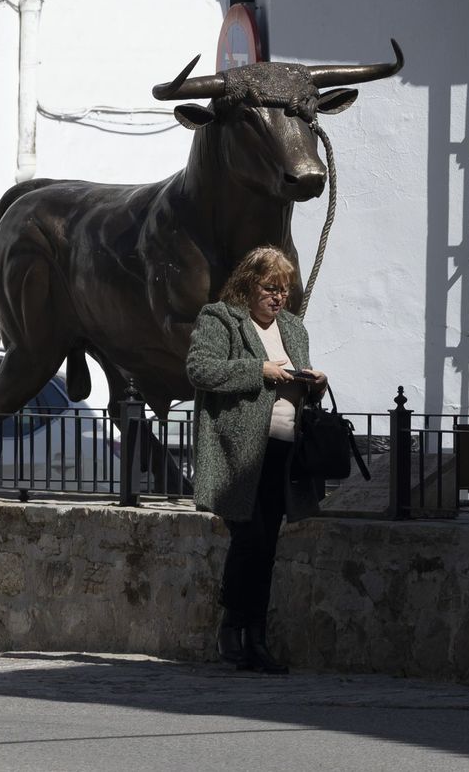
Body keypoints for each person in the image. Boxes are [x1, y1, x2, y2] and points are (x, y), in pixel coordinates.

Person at [186, 246, 327, 674]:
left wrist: (314, 383)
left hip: (282, 451)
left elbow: (296, 382)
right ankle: (234, 629)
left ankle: (255, 637)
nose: (278, 297)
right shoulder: (220, 318)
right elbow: (200, 369)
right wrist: (259, 371)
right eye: (270, 288)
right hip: (238, 453)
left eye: (284, 290)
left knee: (266, 546)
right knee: (250, 540)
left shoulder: (293, 328)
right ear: (248, 285)